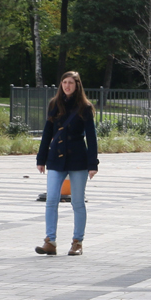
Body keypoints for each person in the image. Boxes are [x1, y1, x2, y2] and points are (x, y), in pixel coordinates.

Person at [35, 71, 99, 256]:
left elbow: (92, 138)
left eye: (70, 83)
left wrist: (93, 163)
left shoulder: (85, 107)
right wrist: (41, 158)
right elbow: (47, 132)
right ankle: (50, 241)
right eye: (64, 82)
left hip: (78, 157)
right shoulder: (54, 104)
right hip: (56, 157)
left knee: (78, 202)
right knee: (51, 199)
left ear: (77, 85)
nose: (67, 86)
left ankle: (77, 242)